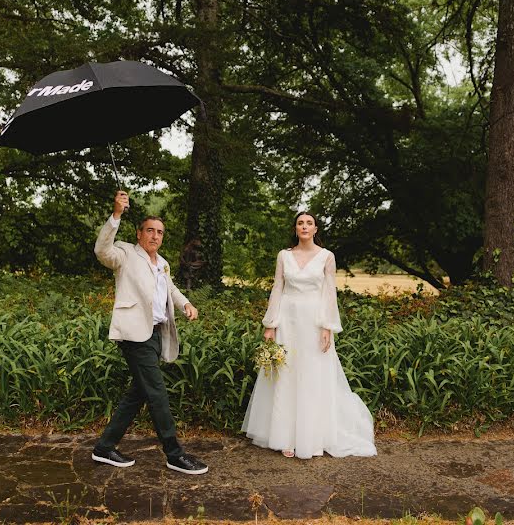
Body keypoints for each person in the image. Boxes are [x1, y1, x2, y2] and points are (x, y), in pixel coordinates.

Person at [241, 211, 377, 459]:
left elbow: (329, 293)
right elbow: (278, 288)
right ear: (295, 229)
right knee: (287, 373)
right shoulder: (285, 256)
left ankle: (313, 436)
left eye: (309, 223)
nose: (304, 226)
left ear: (315, 229)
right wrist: (270, 324)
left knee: (313, 375)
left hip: (314, 322)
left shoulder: (326, 257)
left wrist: (327, 326)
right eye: (300, 223)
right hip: (288, 322)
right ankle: (286, 436)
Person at [91, 190, 208, 475]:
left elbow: (170, 289)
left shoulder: (162, 263)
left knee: (139, 392)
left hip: (156, 333)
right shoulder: (125, 254)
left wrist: (186, 304)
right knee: (157, 393)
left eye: (160, 232)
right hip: (134, 334)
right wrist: (116, 214)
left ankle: (105, 447)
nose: (155, 236)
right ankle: (174, 454)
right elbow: (101, 250)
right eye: (150, 231)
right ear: (139, 233)